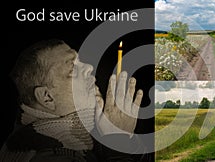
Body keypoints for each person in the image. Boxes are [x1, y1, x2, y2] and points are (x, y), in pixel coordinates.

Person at [0, 39, 151, 161]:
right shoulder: (45, 157)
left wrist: (125, 138)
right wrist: (118, 142)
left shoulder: (87, 140)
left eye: (80, 60)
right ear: (47, 98)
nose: (89, 67)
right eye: (72, 68)